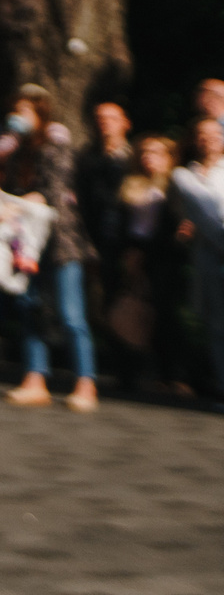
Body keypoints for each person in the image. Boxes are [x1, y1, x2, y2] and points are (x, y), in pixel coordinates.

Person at [0, 87, 98, 410]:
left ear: (40, 115)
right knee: (30, 309)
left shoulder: (56, 147)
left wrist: (18, 205)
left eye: (25, 110)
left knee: (71, 315)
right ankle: (35, 378)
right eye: (16, 110)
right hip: (27, 243)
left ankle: (86, 383)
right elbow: (11, 187)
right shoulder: (15, 153)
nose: (18, 117)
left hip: (61, 243)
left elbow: (55, 192)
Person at [104, 134, 190, 397]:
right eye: (144, 152)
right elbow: (119, 223)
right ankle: (127, 374)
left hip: (162, 257)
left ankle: (171, 375)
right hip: (132, 254)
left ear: (168, 158)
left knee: (163, 315)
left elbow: (177, 226)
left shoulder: (175, 186)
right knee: (127, 311)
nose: (147, 157)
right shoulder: (130, 185)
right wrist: (128, 253)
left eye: (155, 153)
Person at [172, 115, 224, 401]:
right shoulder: (184, 175)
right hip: (208, 255)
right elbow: (203, 217)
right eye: (202, 134)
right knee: (217, 324)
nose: (209, 138)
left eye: (215, 133)